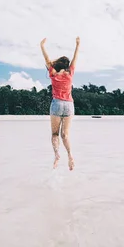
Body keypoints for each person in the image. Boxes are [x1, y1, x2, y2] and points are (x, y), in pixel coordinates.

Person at [40, 36, 80, 170]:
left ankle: (57, 154)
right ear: (67, 66)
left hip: (57, 104)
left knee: (55, 134)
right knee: (65, 135)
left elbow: (47, 60)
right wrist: (77, 44)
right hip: (69, 105)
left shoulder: (53, 74)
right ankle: (70, 155)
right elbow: (75, 58)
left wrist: (42, 46)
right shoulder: (70, 74)